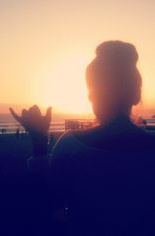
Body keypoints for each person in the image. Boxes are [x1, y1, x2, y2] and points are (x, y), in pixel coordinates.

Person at [10, 41, 155, 235]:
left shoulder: (73, 145)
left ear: (92, 95)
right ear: (136, 94)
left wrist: (38, 140)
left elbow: (48, 199)